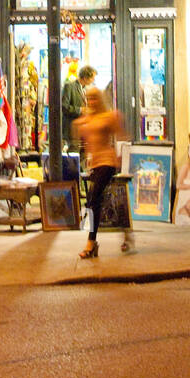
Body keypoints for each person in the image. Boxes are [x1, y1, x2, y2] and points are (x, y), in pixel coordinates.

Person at [74, 86, 128, 258]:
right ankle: (122, 234)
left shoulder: (108, 117)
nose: (92, 101)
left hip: (107, 161)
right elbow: (81, 136)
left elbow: (121, 135)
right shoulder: (87, 119)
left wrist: (120, 158)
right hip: (95, 164)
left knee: (93, 198)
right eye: (89, 99)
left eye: (94, 98)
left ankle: (91, 242)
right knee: (96, 202)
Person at [60, 64, 95, 151]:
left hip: (84, 130)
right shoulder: (70, 86)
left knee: (83, 156)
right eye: (92, 78)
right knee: (74, 155)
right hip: (72, 130)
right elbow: (64, 106)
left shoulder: (85, 89)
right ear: (86, 77)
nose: (93, 80)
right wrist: (80, 110)